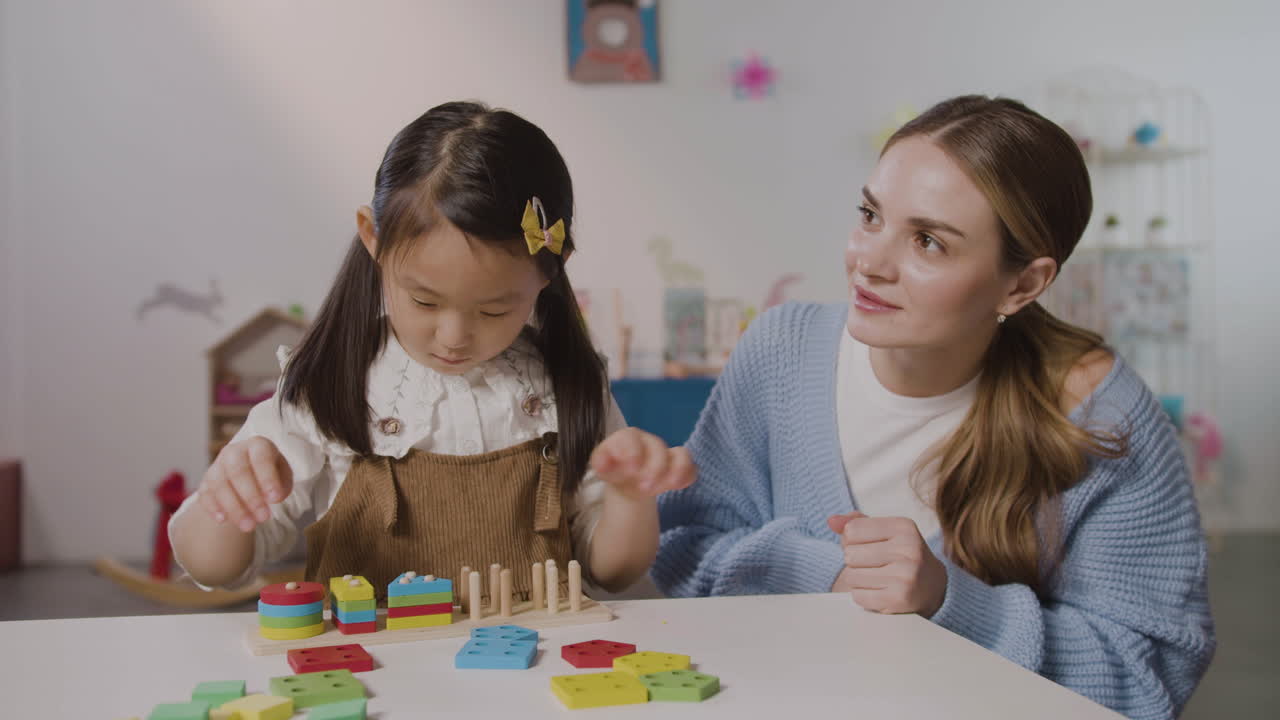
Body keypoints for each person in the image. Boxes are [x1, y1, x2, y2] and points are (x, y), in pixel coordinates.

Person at [644, 95, 1214, 719]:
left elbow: (1149, 674)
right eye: (870, 215)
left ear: (1022, 284)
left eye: (928, 242)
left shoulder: (1101, 416)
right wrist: (824, 572)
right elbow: (683, 545)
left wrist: (949, 603)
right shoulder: (781, 351)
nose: (868, 262)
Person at [169, 101, 690, 598]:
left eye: (493, 310)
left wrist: (628, 498)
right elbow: (215, 567)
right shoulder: (330, 380)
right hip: (373, 677)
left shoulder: (564, 383)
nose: (453, 336)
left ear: (551, 270)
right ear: (373, 238)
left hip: (532, 672)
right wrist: (226, 501)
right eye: (423, 300)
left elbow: (614, 572)